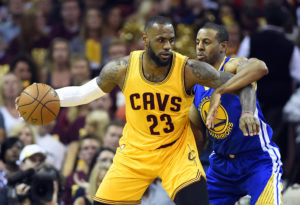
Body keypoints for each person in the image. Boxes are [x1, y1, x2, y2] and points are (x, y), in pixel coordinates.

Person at [17, 16, 263, 205]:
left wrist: (247, 112)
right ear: (145, 40)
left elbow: (244, 85)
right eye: (161, 40)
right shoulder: (122, 69)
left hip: (175, 153)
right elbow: (83, 93)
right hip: (134, 153)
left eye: (171, 40)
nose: (167, 46)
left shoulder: (188, 69)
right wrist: (50, 97)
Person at [191, 22, 282, 205]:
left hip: (257, 160)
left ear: (223, 46)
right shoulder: (196, 83)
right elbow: (197, 133)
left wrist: (222, 92)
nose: (200, 47)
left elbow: (260, 68)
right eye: (198, 42)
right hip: (221, 165)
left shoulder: (232, 65)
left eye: (206, 42)